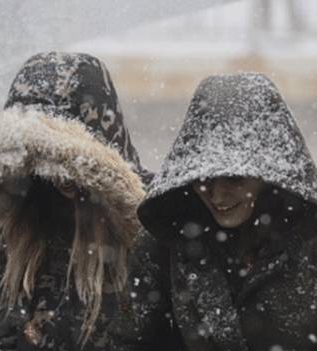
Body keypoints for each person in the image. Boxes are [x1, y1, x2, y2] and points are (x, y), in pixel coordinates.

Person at [0, 52, 155, 350]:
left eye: (68, 160)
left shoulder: (151, 219)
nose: (59, 175)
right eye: (43, 159)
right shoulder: (20, 221)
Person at [136, 73, 317, 350]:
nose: (217, 196)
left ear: (268, 175)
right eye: (202, 179)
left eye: (234, 178)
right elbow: (133, 340)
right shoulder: (168, 242)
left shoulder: (309, 243)